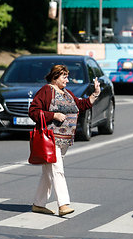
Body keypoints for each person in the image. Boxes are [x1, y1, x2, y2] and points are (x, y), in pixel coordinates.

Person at [28, 65, 100, 216]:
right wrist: (53, 116)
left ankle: (38, 204)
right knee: (57, 170)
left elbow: (80, 105)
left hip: (64, 141)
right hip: (51, 138)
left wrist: (95, 94)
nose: (67, 80)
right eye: (64, 77)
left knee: (48, 173)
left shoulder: (67, 93)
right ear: (55, 77)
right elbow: (33, 111)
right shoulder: (47, 91)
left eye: (67, 76)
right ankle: (63, 204)